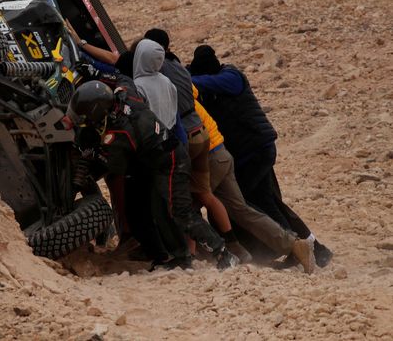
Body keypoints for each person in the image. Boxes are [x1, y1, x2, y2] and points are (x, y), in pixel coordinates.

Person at [85, 44, 238, 269]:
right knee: (162, 210)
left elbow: (125, 94)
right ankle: (181, 256)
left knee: (180, 211)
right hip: (170, 147)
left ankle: (221, 252)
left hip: (162, 156)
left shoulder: (138, 88)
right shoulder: (166, 82)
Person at [189, 45, 332, 267]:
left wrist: (182, 80)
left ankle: (291, 246)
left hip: (255, 152)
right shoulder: (215, 82)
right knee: (269, 201)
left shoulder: (231, 77)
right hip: (254, 151)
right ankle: (315, 248)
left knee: (244, 204)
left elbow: (206, 83)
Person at [141, 29, 251, 262]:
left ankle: (193, 253)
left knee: (182, 204)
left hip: (177, 148)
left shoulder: (142, 84)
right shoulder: (176, 75)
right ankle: (234, 246)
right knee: (207, 197)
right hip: (200, 138)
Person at [193, 84, 316, 273]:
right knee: (241, 208)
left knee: (187, 206)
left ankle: (204, 254)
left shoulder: (174, 96)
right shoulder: (190, 94)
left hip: (209, 159)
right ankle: (293, 244)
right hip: (223, 153)